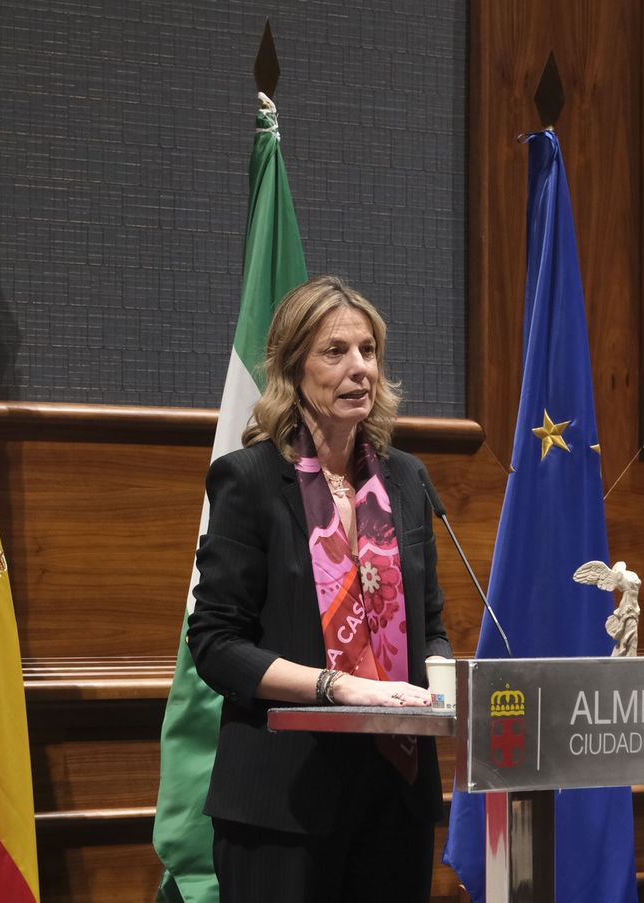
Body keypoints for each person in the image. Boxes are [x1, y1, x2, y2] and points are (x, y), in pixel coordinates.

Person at [186, 274, 451, 902]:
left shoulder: (405, 481)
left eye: (369, 351)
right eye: (336, 352)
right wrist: (337, 686)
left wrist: (444, 695)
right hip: (283, 800)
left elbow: (431, 624)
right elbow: (216, 644)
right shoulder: (249, 481)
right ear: (292, 367)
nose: (360, 368)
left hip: (395, 797)